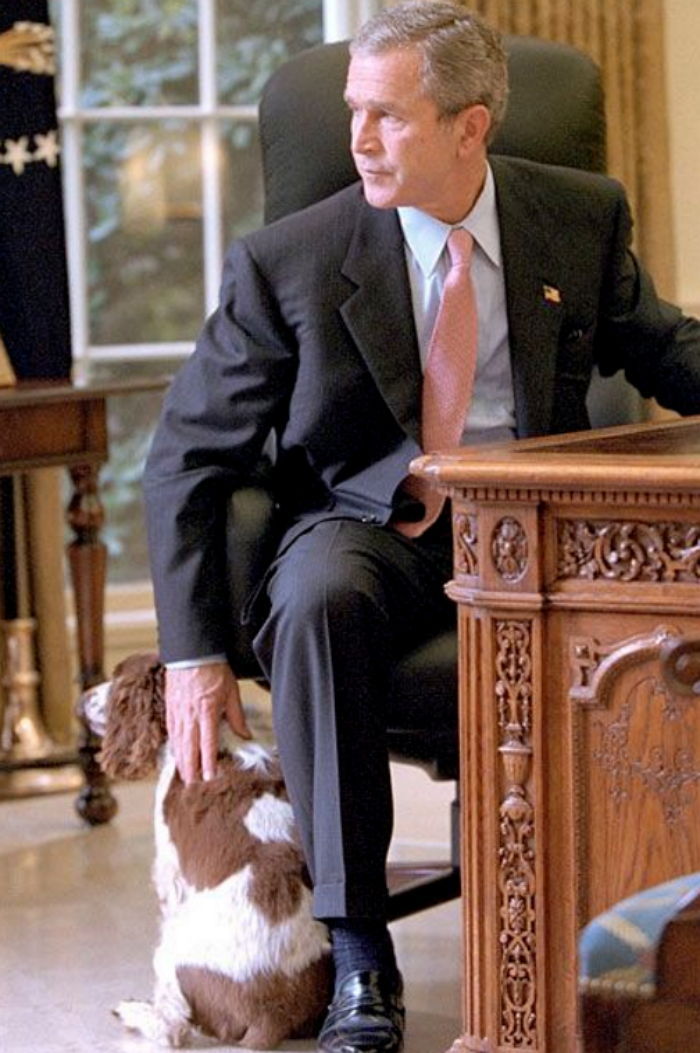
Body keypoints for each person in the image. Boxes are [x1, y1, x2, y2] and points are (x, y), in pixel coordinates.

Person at [143, 3, 700, 1051]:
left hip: (534, 526)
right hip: (369, 519)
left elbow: (665, 349)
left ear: (469, 126)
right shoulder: (289, 260)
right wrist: (192, 652)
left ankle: (645, 930)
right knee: (317, 600)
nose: (357, 138)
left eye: (387, 116)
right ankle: (361, 954)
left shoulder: (576, 218)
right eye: (353, 111)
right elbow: (185, 454)